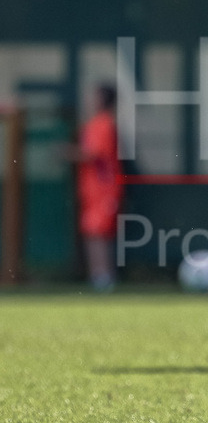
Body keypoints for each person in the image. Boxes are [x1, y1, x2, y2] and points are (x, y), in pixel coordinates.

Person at [76, 83, 123, 292]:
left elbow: (92, 154)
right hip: (92, 189)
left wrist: (66, 153)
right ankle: (100, 277)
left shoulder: (103, 125)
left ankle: (104, 278)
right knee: (93, 233)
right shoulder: (95, 124)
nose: (88, 100)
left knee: (98, 234)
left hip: (104, 189)